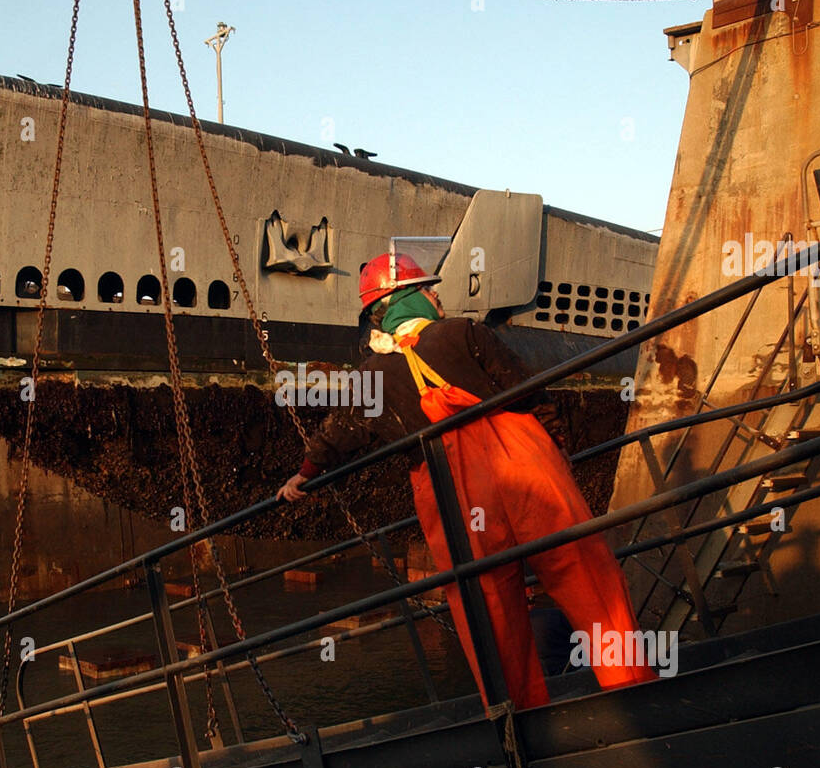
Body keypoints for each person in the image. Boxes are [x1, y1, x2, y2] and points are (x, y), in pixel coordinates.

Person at [277, 252, 656, 712]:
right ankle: (634, 690)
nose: (436, 295)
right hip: (521, 464)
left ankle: (517, 717)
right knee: (585, 572)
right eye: (427, 289)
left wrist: (304, 474)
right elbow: (528, 391)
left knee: (488, 605)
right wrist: (559, 450)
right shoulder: (464, 333)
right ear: (407, 298)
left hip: (449, 493)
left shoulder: (371, 377)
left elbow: (340, 434)